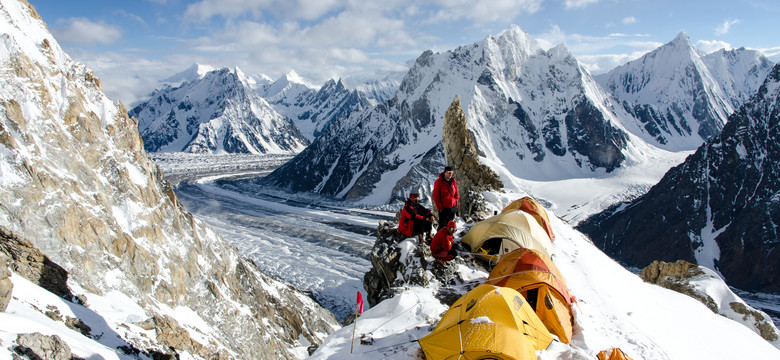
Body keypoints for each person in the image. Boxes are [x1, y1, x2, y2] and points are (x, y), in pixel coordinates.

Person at [432, 166, 459, 230]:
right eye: (449, 172)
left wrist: (456, 203)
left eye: (452, 172)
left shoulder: (453, 181)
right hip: (444, 208)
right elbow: (436, 196)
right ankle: (440, 237)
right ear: (445, 172)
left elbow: (456, 192)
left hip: (453, 206)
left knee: (450, 223)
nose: (451, 174)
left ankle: (448, 236)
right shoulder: (438, 182)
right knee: (442, 224)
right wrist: (440, 208)